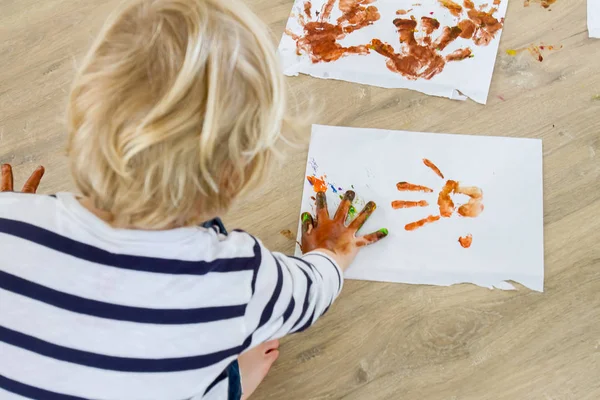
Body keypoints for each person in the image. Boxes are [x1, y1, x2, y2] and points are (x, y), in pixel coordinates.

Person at [0, 0, 388, 399]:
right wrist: (331, 253)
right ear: (238, 173)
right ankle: (236, 382)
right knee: (238, 359)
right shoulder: (238, 279)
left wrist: (17, 220)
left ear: (80, 114)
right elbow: (310, 298)